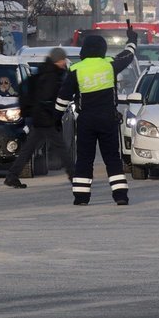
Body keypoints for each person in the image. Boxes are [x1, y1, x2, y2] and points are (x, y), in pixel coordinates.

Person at [55, 30, 137, 206]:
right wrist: (132, 40)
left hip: (86, 121)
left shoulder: (76, 69)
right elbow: (128, 55)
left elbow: (63, 97)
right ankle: (120, 195)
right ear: (102, 49)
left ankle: (81, 197)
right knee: (112, 158)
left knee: (84, 158)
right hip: (108, 118)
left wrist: (55, 118)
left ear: (83, 50)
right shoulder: (110, 65)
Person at [4, 47, 75, 189]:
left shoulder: (46, 71)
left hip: (39, 118)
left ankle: (12, 176)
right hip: (46, 119)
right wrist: (53, 116)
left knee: (29, 149)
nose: (63, 62)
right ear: (57, 60)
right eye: (62, 60)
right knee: (61, 148)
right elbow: (47, 99)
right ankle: (75, 177)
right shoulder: (52, 75)